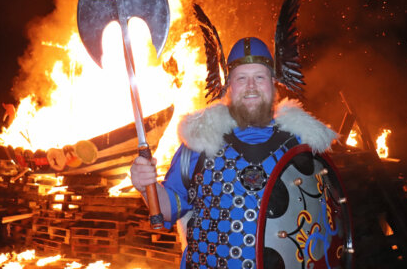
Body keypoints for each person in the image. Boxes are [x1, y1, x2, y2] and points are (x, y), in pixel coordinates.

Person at [130, 37, 337, 269]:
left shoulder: (303, 146)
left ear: (273, 83)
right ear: (229, 86)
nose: (251, 86)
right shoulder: (199, 144)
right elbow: (168, 210)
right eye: (241, 78)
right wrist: (146, 187)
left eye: (259, 77)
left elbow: (327, 223)